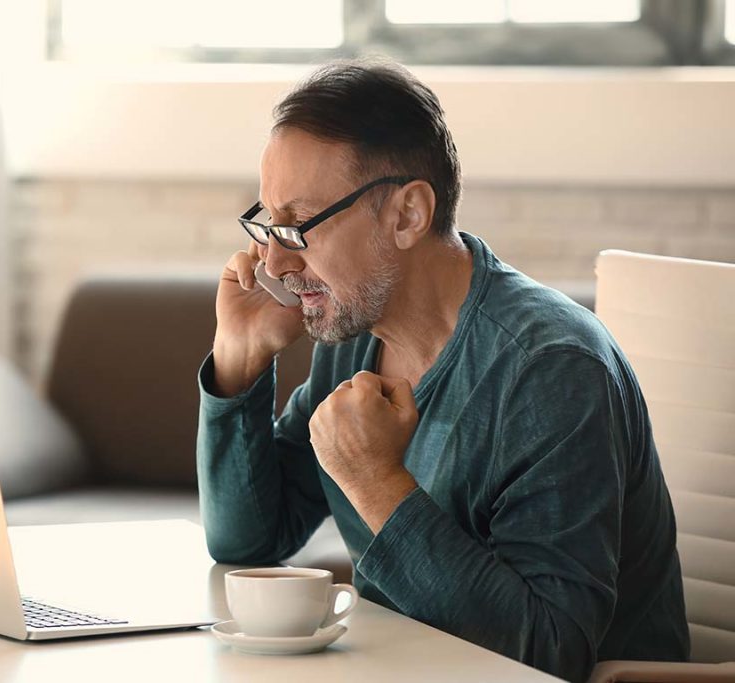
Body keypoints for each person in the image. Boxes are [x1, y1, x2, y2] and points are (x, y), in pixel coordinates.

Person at [196, 59, 689, 683]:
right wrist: (239, 364)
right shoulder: (354, 332)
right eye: (269, 224)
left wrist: (376, 482)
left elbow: (549, 656)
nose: (273, 263)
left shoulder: (550, 369)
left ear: (406, 215)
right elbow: (247, 543)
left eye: (299, 226)